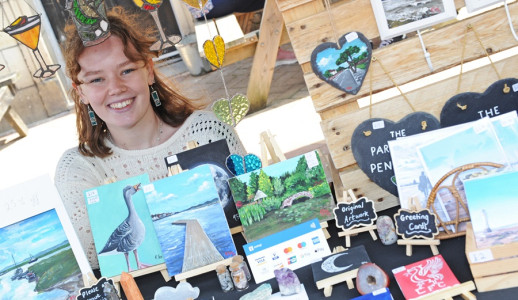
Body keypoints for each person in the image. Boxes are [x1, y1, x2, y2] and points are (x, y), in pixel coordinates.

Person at [54, 6, 246, 269]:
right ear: (80, 93)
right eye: (97, 79)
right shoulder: (79, 171)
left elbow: (253, 217)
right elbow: (92, 264)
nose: (115, 89)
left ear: (149, 70)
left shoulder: (209, 133)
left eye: (127, 71)